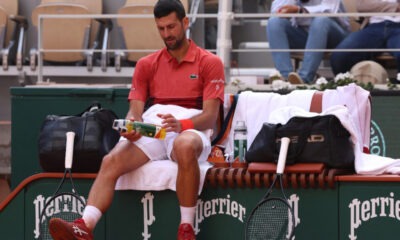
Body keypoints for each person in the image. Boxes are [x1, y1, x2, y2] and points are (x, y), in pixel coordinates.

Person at [48, 0, 225, 239]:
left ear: (185, 22)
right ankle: (84, 226)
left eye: (171, 27)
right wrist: (132, 126)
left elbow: (211, 116)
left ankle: (186, 228)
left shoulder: (210, 62)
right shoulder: (146, 64)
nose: (167, 34)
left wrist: (181, 126)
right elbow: (136, 109)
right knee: (111, 160)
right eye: (161, 28)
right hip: (155, 126)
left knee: (183, 146)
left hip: (191, 126)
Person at [267, 0, 350, 84]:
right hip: (306, 37)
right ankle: (286, 79)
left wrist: (299, 10)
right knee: (274, 22)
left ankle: (304, 79)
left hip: (335, 36)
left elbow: (328, 10)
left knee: (321, 20)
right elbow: (276, 11)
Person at [330, 0, 400, 76]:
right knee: (340, 55)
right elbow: (362, 6)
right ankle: (349, 85)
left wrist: (377, 6)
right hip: (373, 27)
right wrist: (395, 7)